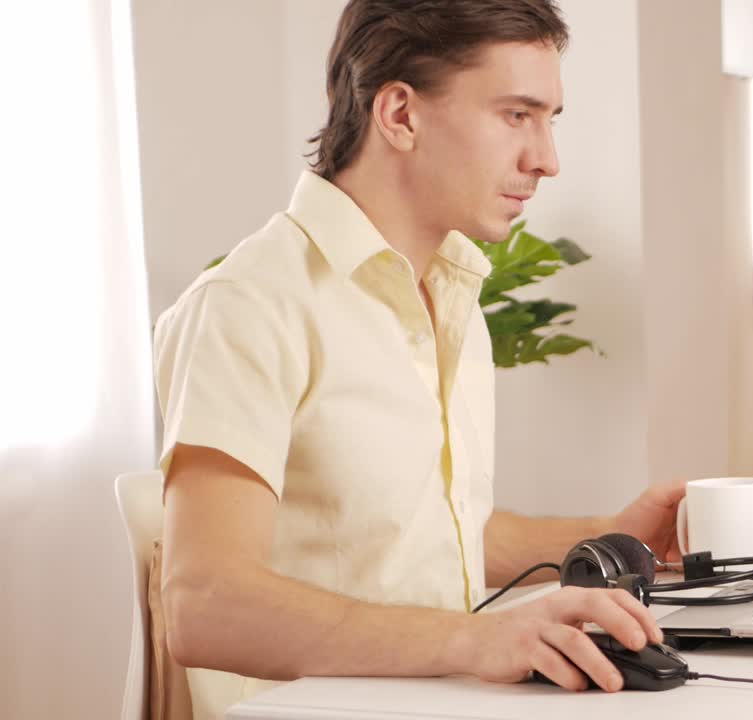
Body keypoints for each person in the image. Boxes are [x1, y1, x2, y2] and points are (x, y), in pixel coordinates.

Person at [151, 2, 685, 717]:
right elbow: (205, 603)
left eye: (550, 118)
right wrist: (478, 642)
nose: (547, 159)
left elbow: (425, 528)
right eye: (516, 115)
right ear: (400, 114)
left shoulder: (450, 291)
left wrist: (612, 539)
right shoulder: (250, 305)